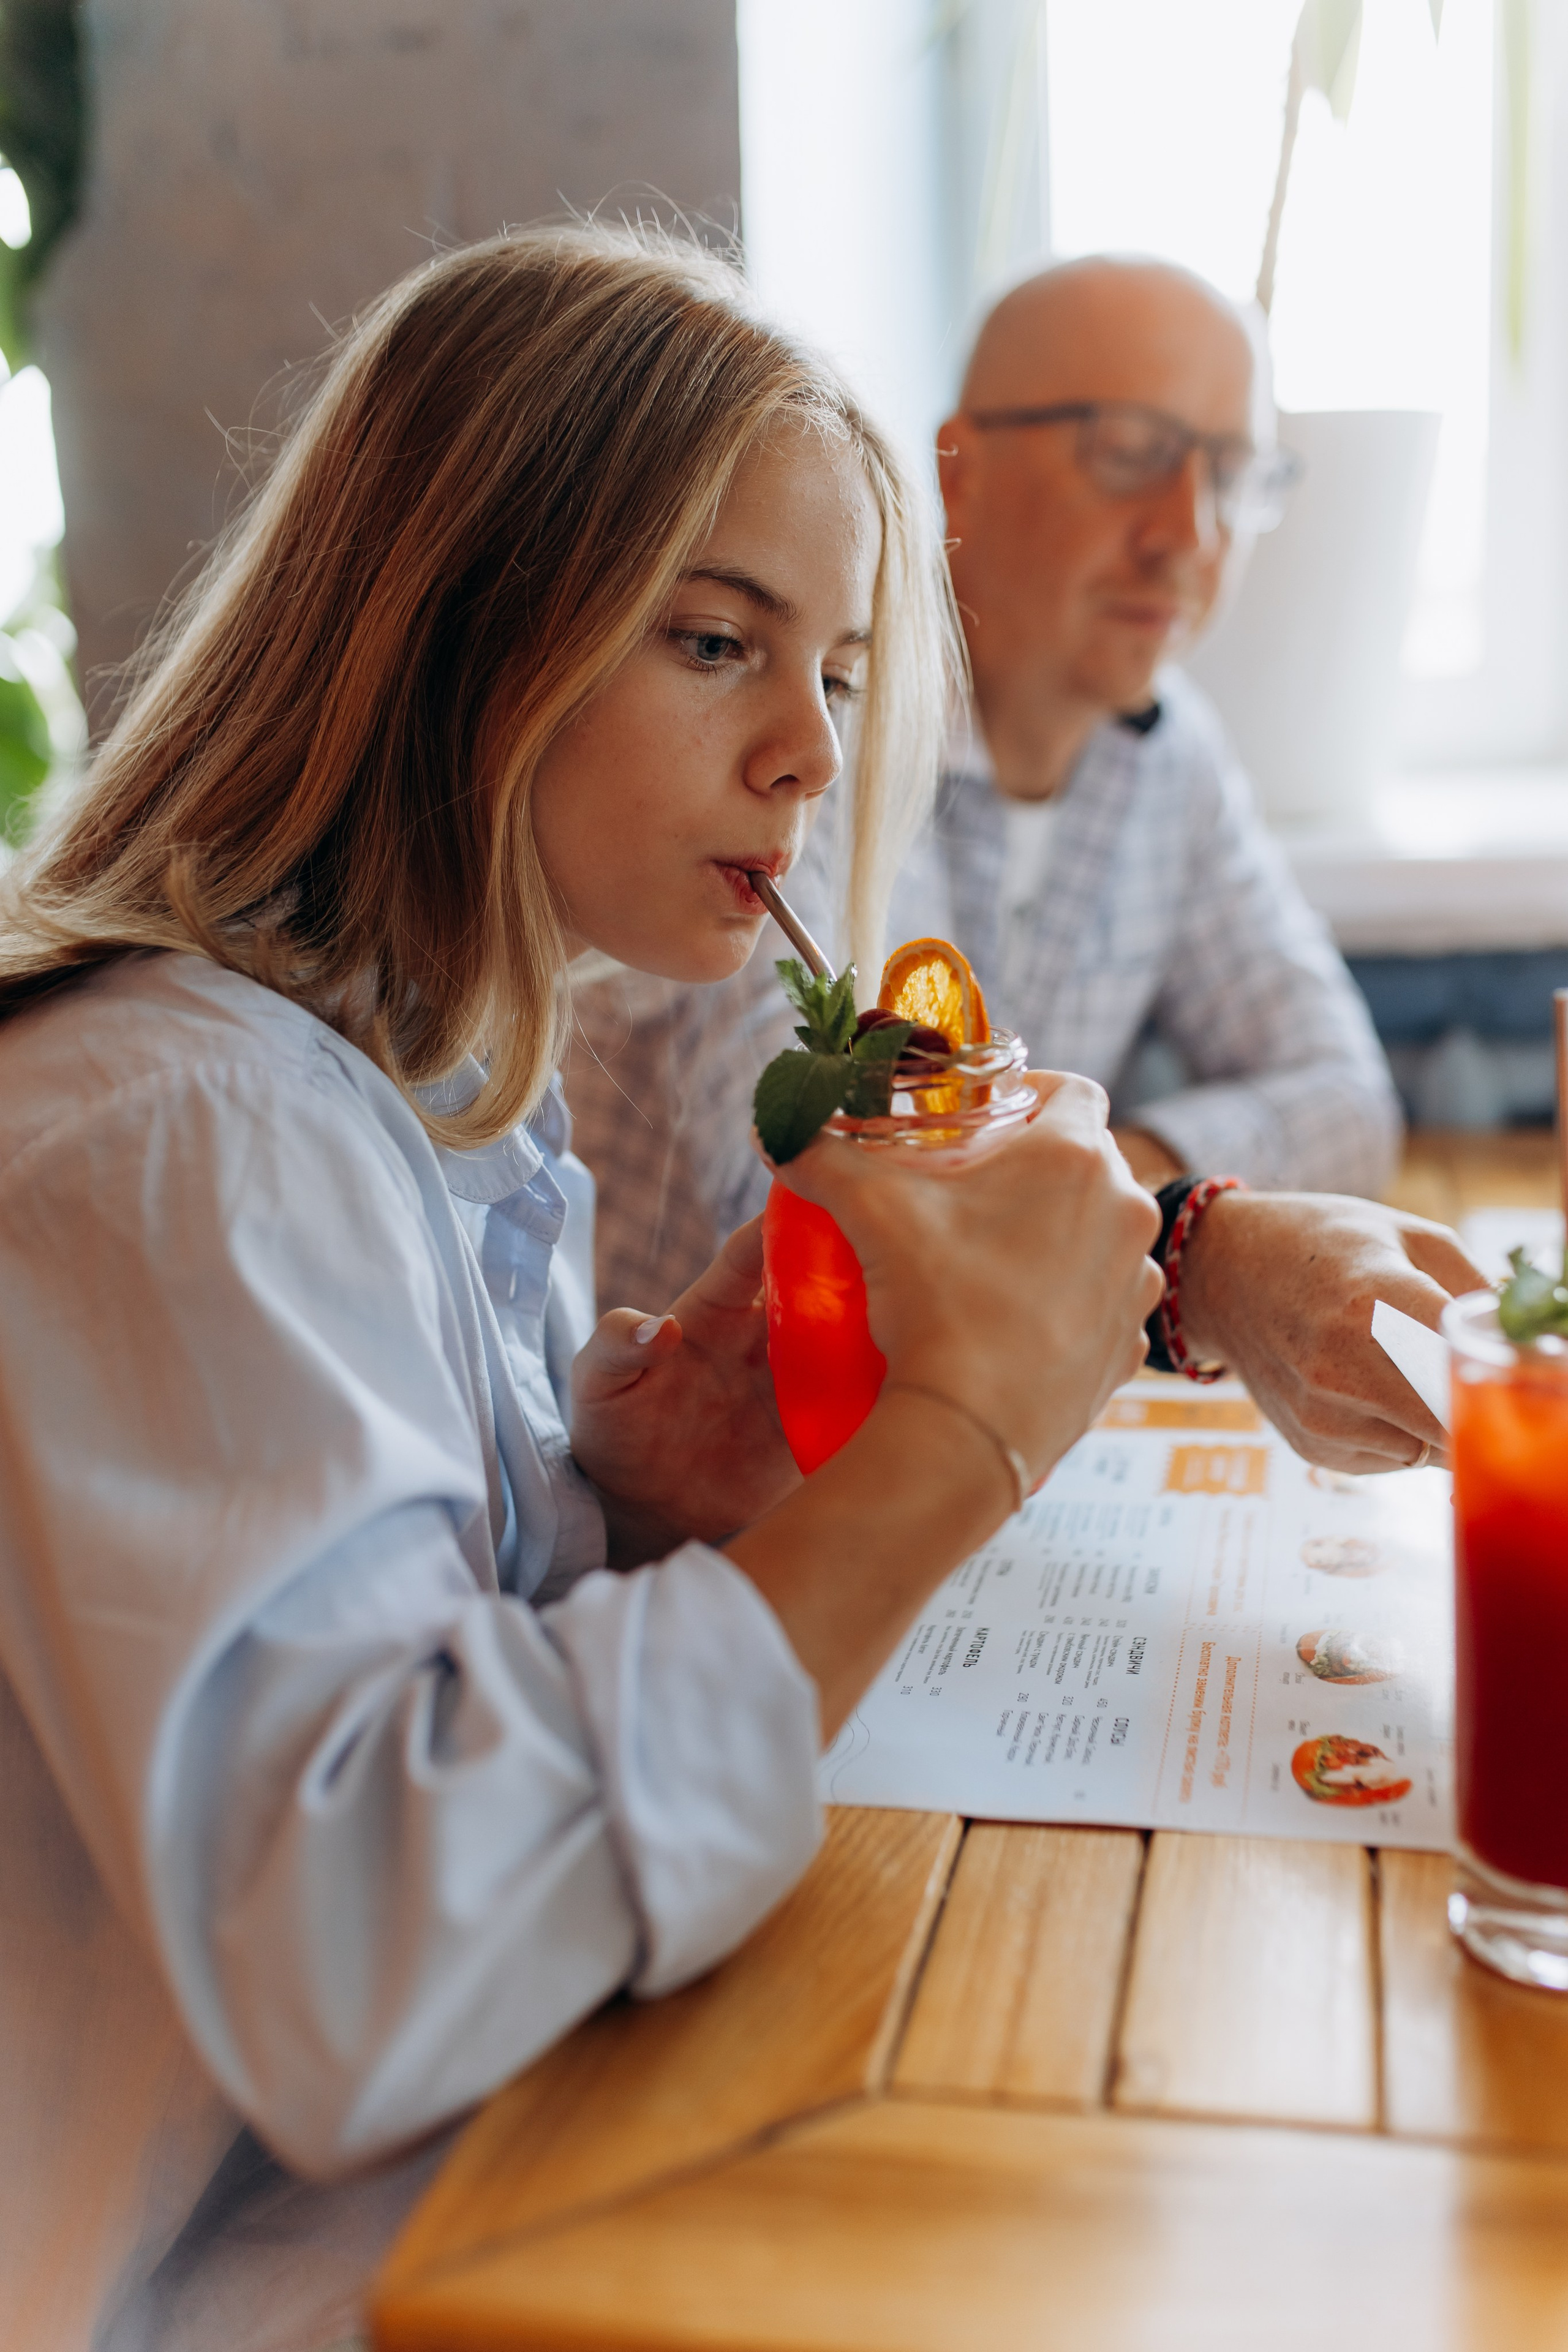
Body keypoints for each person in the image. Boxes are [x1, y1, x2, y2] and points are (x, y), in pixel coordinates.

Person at [0, 224, 1163, 2352]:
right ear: (448, 629)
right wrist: (949, 1452)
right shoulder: (188, 1138)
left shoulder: (425, 1120)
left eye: (836, 665)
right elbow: (353, 1956)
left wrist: (603, 1523)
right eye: (721, 641)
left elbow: (353, 1723)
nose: (813, 752)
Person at [570, 253, 1402, 1295]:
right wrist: (1147, 1216)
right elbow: (827, 1201)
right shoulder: (797, 735)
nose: (1188, 533)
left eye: (1231, 474)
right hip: (669, 1423)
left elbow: (1347, 1103)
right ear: (957, 466)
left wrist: (1099, 1190)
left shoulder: (1167, 754)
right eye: (1131, 453)